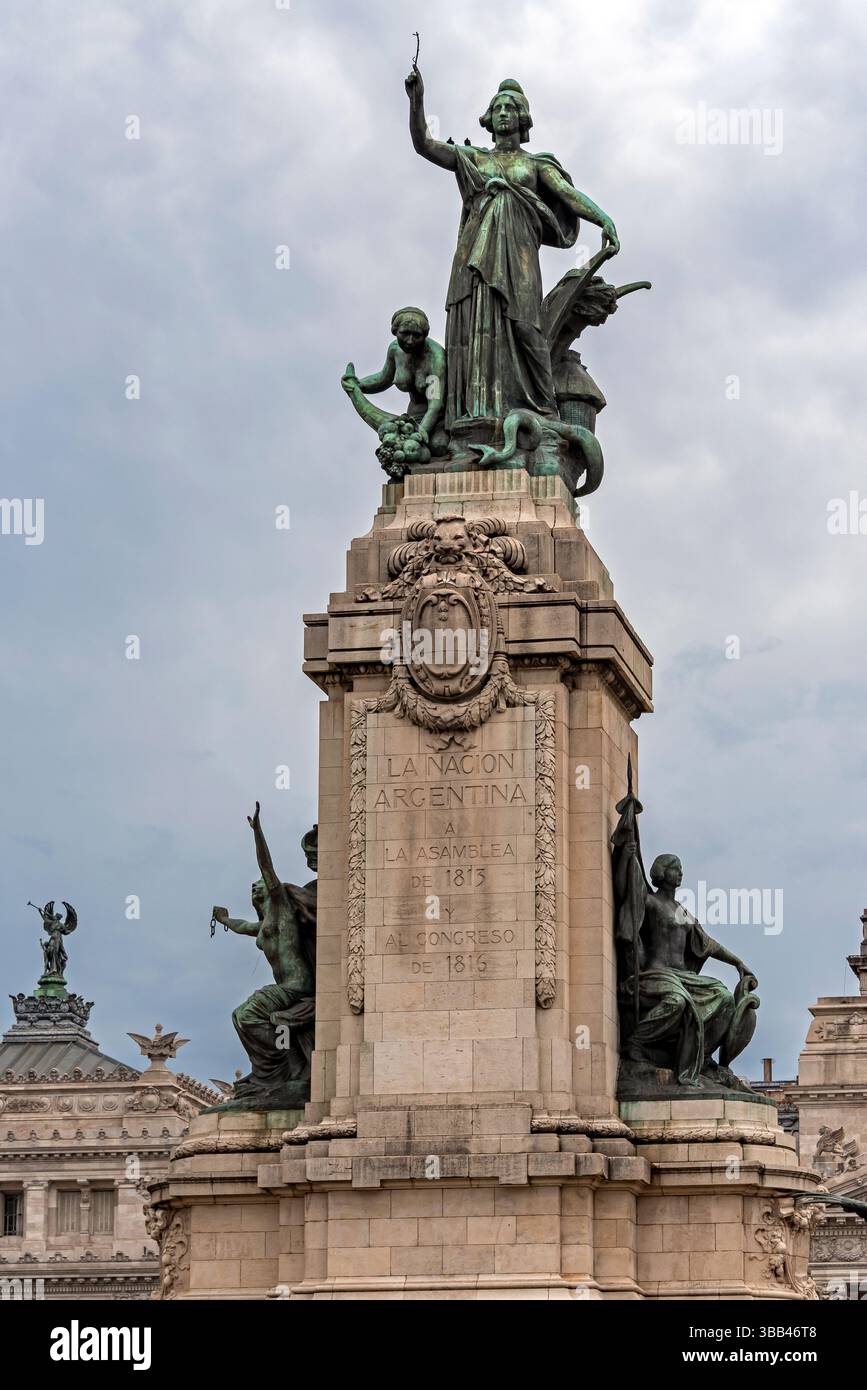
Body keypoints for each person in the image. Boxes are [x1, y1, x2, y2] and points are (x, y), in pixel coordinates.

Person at [405, 67, 618, 428]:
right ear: (490, 118)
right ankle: (478, 414)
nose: (504, 113)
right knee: (477, 331)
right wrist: (417, 100)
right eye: (498, 108)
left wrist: (603, 219)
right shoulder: (474, 159)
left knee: (525, 326)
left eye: (511, 108)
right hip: (476, 255)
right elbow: (424, 144)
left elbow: (568, 195)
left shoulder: (534, 163)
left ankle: (541, 408)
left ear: (522, 119)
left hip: (518, 257)